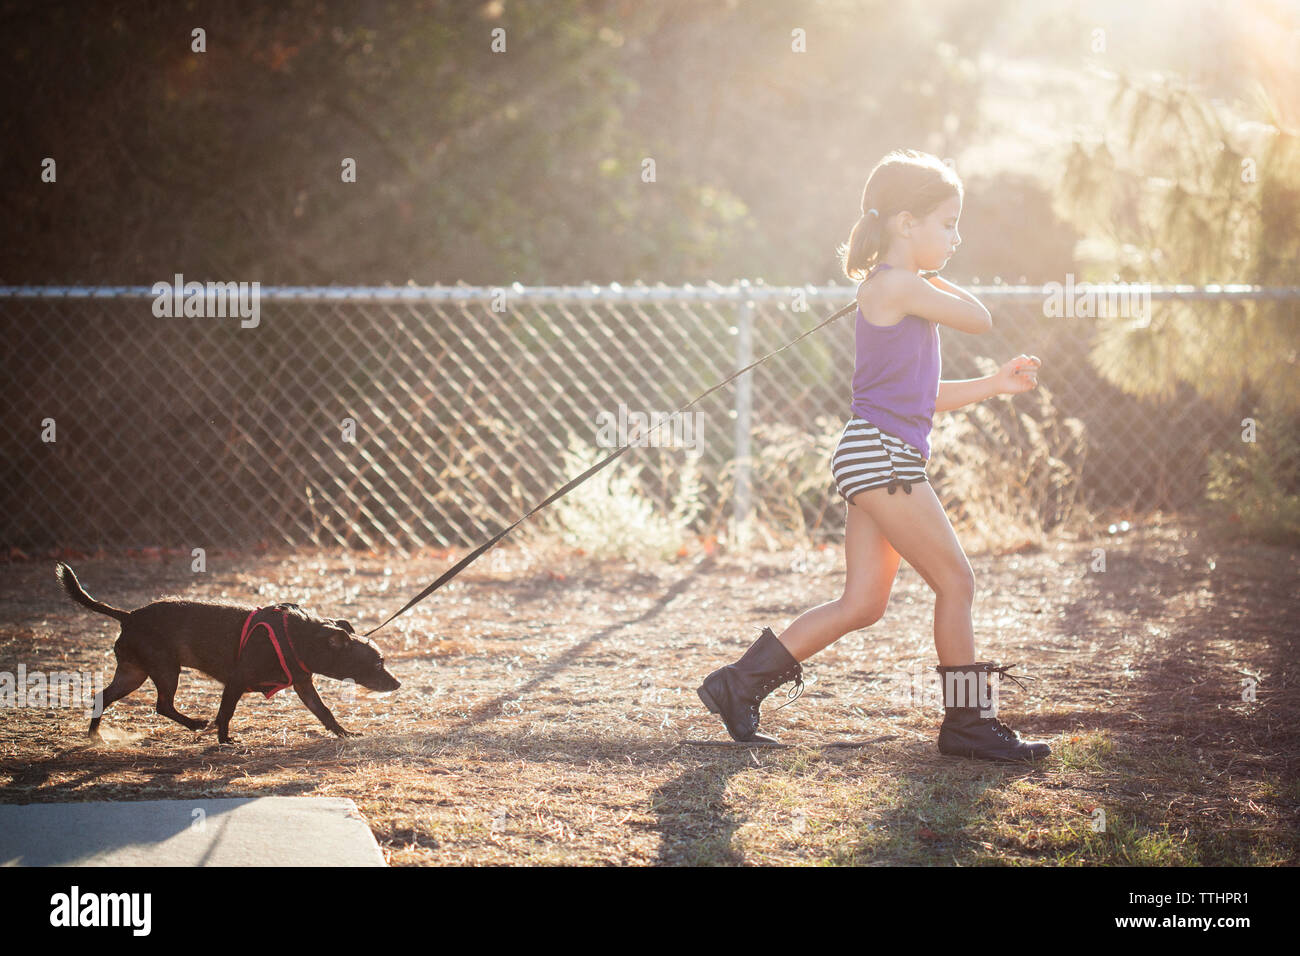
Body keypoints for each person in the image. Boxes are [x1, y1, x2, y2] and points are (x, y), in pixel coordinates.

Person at [695, 148, 1051, 761]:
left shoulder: (897, 288)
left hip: (872, 453)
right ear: (904, 222)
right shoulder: (899, 286)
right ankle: (967, 725)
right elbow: (982, 317)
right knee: (957, 581)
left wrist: (994, 384)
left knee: (863, 603)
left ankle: (737, 684)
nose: (956, 236)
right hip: (882, 457)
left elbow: (924, 397)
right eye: (947, 222)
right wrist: (921, 268)